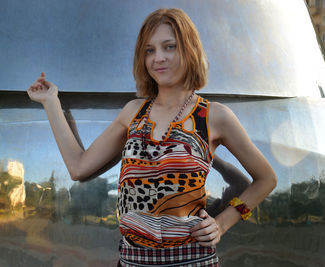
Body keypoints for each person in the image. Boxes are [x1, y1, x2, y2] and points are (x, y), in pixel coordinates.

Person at [27, 8, 277, 267]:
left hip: (192, 260)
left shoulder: (213, 116)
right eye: (150, 50)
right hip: (134, 261)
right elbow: (78, 167)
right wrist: (50, 103)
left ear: (189, 49)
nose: (159, 58)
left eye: (169, 47)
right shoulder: (133, 112)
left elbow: (266, 179)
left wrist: (222, 224)